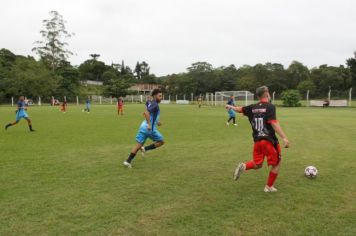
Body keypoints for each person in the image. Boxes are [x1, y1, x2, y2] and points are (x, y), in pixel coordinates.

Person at [226, 86, 289, 192]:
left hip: (257, 141)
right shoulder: (270, 107)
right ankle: (268, 187)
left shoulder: (252, 107)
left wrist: (230, 107)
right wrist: (284, 137)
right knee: (277, 163)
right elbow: (274, 123)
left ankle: (244, 166)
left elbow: (240, 109)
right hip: (269, 140)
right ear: (267, 94)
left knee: (257, 164)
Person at [123, 89, 165, 168]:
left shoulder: (151, 103)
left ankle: (127, 161)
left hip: (143, 126)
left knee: (138, 145)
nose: (161, 97)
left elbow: (147, 113)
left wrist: (157, 121)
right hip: (149, 129)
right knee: (161, 141)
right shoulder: (155, 104)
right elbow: (146, 113)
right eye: (160, 96)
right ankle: (145, 149)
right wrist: (149, 124)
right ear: (155, 96)